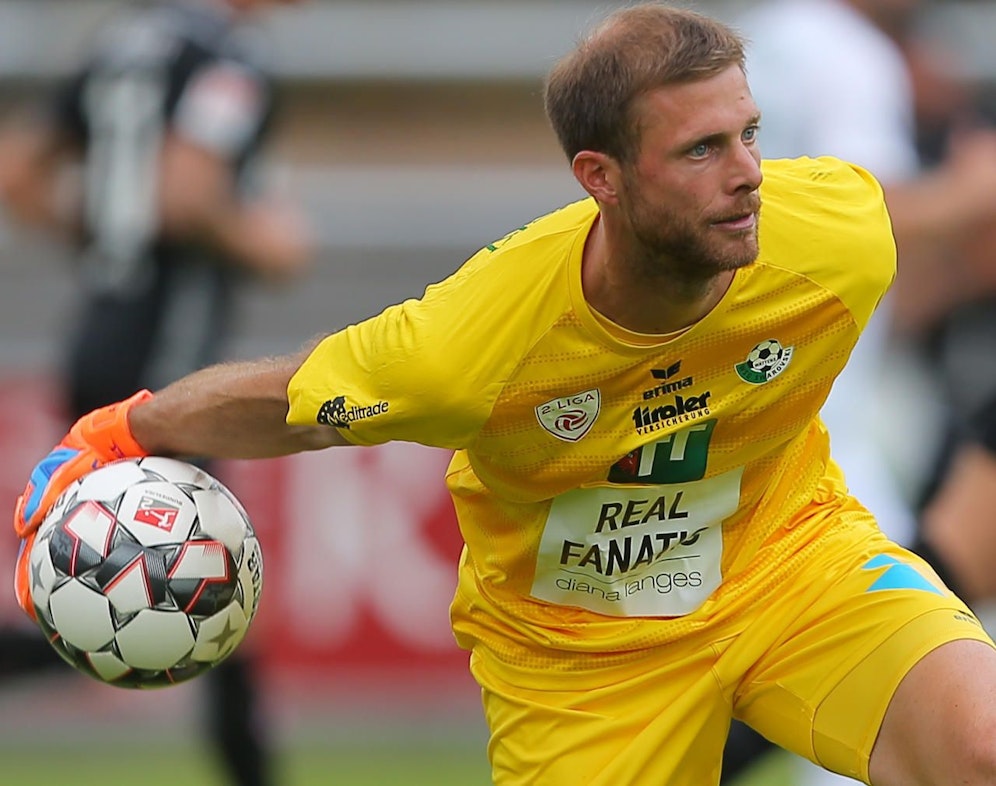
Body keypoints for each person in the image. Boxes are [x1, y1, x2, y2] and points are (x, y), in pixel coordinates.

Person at [11, 4, 996, 784]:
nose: (747, 177)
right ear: (599, 177)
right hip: (584, 656)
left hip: (795, 570)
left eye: (751, 135)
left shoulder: (837, 234)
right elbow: (291, 403)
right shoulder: (473, 342)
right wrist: (118, 428)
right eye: (701, 150)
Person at [0, 1, 311, 785]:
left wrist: (110, 239)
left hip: (98, 336)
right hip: (167, 364)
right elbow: (186, 191)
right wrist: (270, 246)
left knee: (105, 575)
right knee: (206, 573)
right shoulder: (229, 62)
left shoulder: (123, 40)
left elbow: (17, 169)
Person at [721, 2, 996, 782]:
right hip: (819, 431)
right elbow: (867, 215)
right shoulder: (848, 57)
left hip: (751, 409)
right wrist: (974, 189)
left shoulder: (762, 39)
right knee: (883, 656)